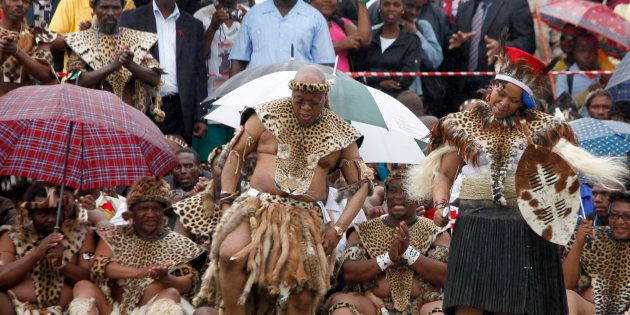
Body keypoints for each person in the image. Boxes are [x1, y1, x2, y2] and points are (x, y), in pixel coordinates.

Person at [405, 43, 628, 314]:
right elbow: (445, 173)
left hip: (522, 225)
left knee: (515, 306)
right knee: (468, 303)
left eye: (514, 100)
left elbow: (556, 180)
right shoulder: (460, 124)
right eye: (501, 93)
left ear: (524, 101)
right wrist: (440, 204)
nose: (504, 103)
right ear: (493, 84)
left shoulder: (544, 129)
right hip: (474, 223)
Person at [194, 65, 373, 314]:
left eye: (314, 102)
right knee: (230, 255)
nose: (306, 107)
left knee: (303, 291)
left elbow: (361, 186)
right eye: (300, 101)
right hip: (256, 207)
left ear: (325, 97)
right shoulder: (265, 115)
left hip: (305, 217)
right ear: (292, 94)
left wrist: (338, 228)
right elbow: (235, 154)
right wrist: (226, 202)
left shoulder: (341, 132)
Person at [67, 176, 204, 315]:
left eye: (156, 208)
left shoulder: (179, 243)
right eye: (143, 208)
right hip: (112, 307)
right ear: (132, 212)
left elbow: (187, 283)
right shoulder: (115, 234)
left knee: (171, 292)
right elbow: (98, 265)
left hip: (151, 308)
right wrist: (140, 272)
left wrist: (165, 278)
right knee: (83, 286)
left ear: (163, 212)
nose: (150, 214)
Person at [326, 171, 449, 315]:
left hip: (423, 303)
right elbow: (349, 274)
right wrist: (388, 258)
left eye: (406, 191)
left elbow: (445, 276)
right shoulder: (362, 231)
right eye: (392, 191)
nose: (398, 196)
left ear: (418, 197)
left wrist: (408, 253)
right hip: (374, 304)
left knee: (439, 311)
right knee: (342, 309)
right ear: (386, 196)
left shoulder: (437, 231)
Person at [119, 0, 208, 145]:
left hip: (180, 109)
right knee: (145, 160)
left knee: (178, 163)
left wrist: (200, 116)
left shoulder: (193, 25)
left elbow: (199, 72)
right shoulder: (131, 18)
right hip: (143, 106)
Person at [0, 182, 95, 314]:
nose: (51, 219)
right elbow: (1, 278)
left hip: (66, 311)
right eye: (42, 214)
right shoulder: (12, 236)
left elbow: (91, 278)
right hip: (19, 309)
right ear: (29, 214)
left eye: (56, 212)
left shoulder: (82, 234)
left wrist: (62, 264)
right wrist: (36, 254)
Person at [64, 0, 165, 122]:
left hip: (131, 122)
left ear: (122, 10)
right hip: (94, 120)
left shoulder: (137, 39)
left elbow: (155, 78)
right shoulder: (81, 40)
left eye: (116, 8)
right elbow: (73, 79)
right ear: (94, 9)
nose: (111, 13)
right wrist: (111, 67)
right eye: (104, 7)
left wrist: (130, 64)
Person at [446, 0, 535, 109]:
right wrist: (456, 42)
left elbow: (528, 43)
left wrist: (503, 48)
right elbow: (450, 41)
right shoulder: (465, 7)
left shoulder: (516, 4)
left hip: (498, 89)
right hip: (462, 87)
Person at [563, 191, 630, 315]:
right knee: (568, 298)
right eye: (613, 215)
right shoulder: (594, 237)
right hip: (595, 309)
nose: (619, 222)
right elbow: (566, 285)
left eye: (627, 216)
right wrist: (578, 244)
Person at [228, 0, 336, 76]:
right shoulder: (253, 15)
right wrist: (231, 98)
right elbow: (238, 60)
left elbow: (325, 64)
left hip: (299, 95)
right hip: (257, 92)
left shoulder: (315, 18)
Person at [354, 0, 421, 100]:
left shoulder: (412, 40)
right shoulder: (368, 38)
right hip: (367, 96)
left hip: (398, 99)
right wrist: (380, 84)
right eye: (386, 4)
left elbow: (408, 75)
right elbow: (358, 70)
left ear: (403, 9)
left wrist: (374, 80)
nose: (391, 9)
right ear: (379, 8)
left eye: (396, 5)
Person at [0, 0, 56, 96]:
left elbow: (47, 75)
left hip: (24, 105)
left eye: (26, 1)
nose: (20, 4)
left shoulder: (37, 36)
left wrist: (16, 51)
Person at [194, 0, 242, 94]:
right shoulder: (200, 16)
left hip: (241, 90)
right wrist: (212, 27)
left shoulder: (248, 14)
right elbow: (195, 58)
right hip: (210, 93)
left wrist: (246, 22)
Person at [310, 0, 371, 72]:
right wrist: (340, 45)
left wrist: (362, 3)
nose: (328, 1)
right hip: (316, 79)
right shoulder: (302, 23)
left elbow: (363, 40)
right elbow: (302, 50)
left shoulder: (341, 23)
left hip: (344, 80)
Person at [555, 33, 609, 105]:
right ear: (574, 52)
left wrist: (609, 84)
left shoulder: (605, 76)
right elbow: (561, 105)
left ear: (597, 53)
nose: (587, 55)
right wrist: (588, 92)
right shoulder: (565, 76)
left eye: (592, 51)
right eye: (582, 51)